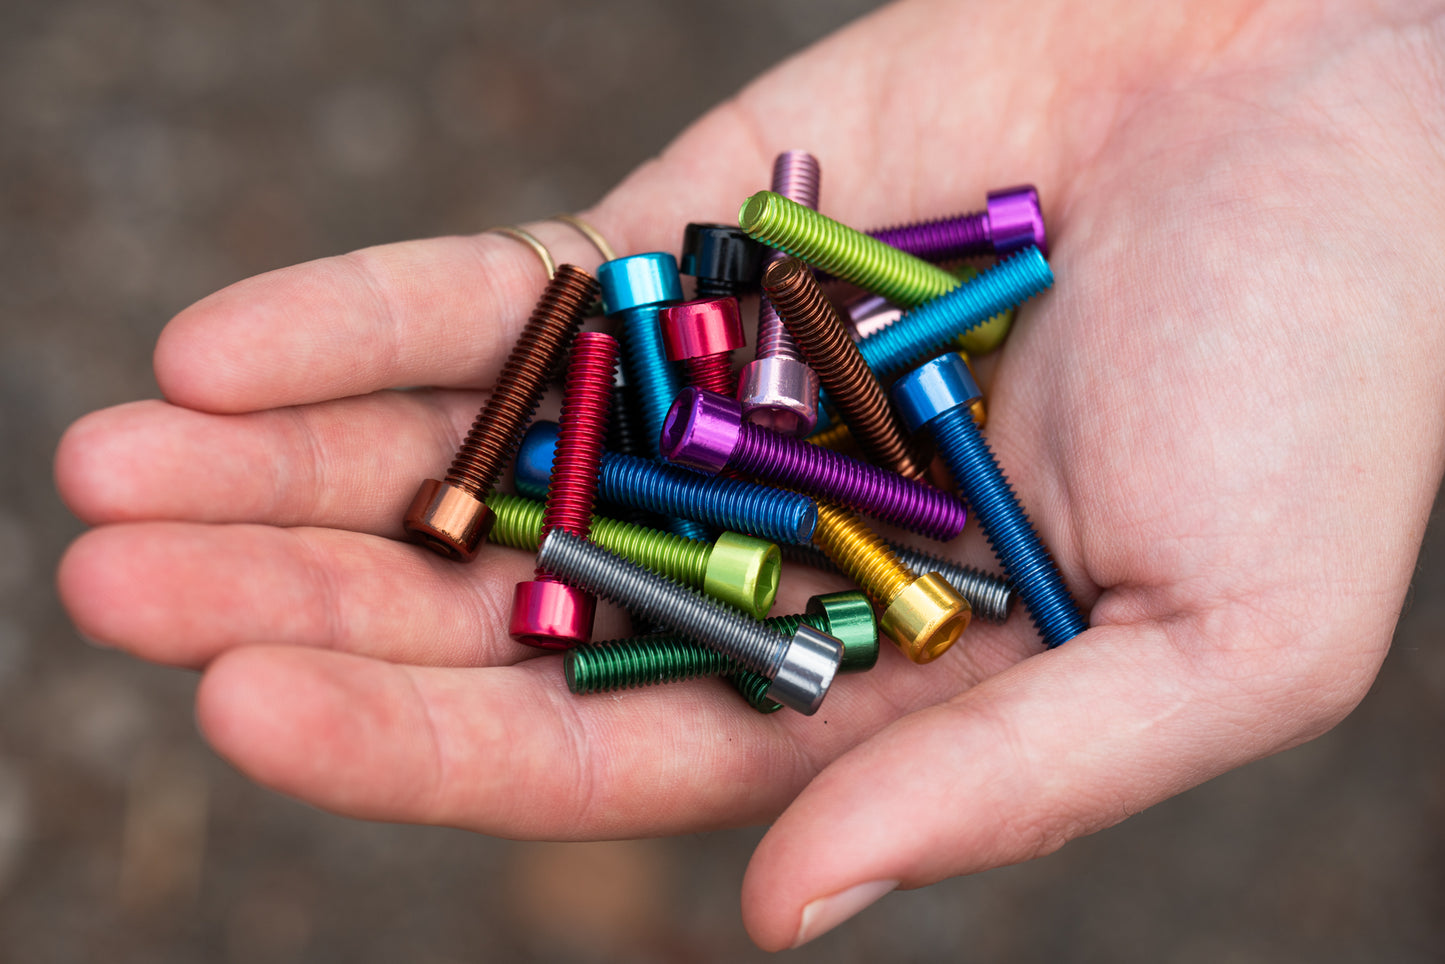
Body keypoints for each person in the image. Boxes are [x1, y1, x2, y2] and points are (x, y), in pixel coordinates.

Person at [51, 0, 1445, 950]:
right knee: (653, 481)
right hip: (733, 492)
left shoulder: (806, 395)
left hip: (774, 485)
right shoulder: (672, 395)